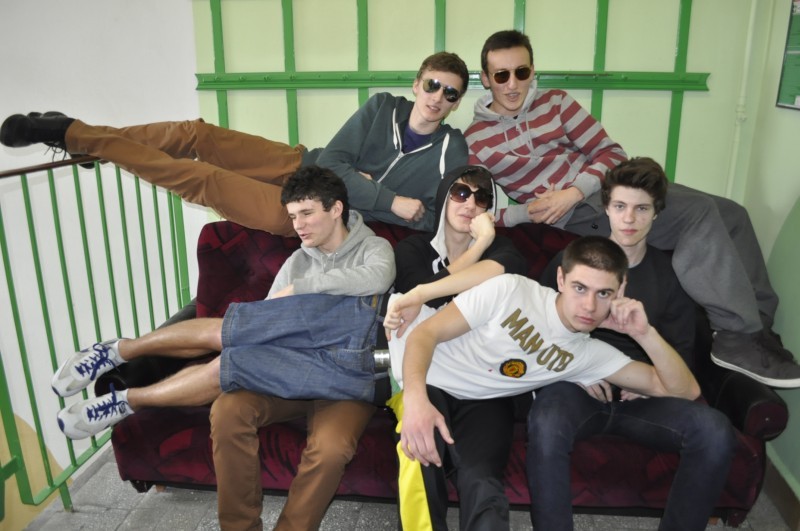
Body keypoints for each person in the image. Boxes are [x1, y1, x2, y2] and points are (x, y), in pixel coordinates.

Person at [51, 166, 395, 531]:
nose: (299, 225)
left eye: (307, 213)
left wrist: (301, 289)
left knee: (331, 449)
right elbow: (269, 321)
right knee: (228, 410)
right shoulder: (297, 260)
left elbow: (377, 278)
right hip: (286, 371)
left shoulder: (373, 248)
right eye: (293, 216)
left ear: (336, 209)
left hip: (345, 383)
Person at [464, 29, 800, 388]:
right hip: (582, 219)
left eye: (522, 72)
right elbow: (473, 209)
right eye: (501, 75)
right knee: (700, 211)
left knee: (733, 213)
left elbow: (611, 153)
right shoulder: (475, 140)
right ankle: (735, 336)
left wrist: (573, 191)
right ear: (486, 78)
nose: (512, 84)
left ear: (533, 71)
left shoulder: (557, 103)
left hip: (606, 188)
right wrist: (526, 211)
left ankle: (758, 329)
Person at [386, 235, 702, 531]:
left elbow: (683, 390)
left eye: (603, 293)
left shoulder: (589, 354)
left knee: (483, 485)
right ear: (561, 279)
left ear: (620, 292)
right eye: (580, 288)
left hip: (483, 400)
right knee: (419, 454)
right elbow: (425, 335)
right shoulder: (511, 290)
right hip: (422, 374)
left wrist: (644, 333)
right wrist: (415, 400)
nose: (589, 306)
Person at [0, 51, 469, 235]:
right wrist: (390, 199)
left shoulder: (453, 150)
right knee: (198, 134)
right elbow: (333, 165)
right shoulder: (381, 106)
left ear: (456, 103)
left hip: (318, 215)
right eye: (432, 85)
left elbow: (433, 218)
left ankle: (75, 135)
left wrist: (366, 192)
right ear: (417, 84)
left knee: (202, 179)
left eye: (450, 93)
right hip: (299, 164)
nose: (437, 97)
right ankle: (93, 144)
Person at [530, 157, 736, 531]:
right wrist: (571, 372)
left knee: (714, 429)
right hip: (577, 389)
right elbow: (535, 331)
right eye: (620, 206)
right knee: (547, 419)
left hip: (644, 398)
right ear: (606, 208)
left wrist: (653, 381)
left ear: (656, 213)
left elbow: (681, 358)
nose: (629, 219)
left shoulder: (670, 275)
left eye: (641, 209)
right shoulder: (573, 262)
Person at [385, 164, 528, 530]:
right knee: (418, 453)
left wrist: (484, 243)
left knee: (481, 478)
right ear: (443, 197)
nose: (470, 204)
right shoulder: (412, 249)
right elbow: (426, 294)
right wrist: (479, 246)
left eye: (482, 198)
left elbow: (505, 274)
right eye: (461, 192)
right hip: (428, 377)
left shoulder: (505, 250)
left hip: (486, 384)